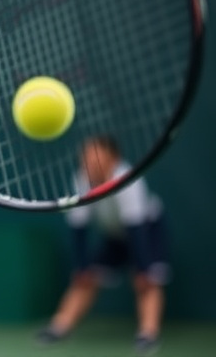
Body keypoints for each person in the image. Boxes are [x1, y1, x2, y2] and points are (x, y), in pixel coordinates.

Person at [36, 135, 169, 356]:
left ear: (114, 158)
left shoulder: (127, 179)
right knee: (85, 277)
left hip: (147, 231)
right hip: (115, 235)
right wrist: (81, 266)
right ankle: (59, 327)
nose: (87, 161)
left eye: (94, 155)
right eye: (84, 156)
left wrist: (144, 267)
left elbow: (136, 229)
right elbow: (79, 227)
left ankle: (148, 334)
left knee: (147, 280)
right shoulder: (81, 179)